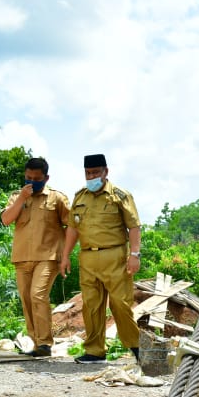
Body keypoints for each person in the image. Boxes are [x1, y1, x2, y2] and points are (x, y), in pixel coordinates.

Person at [60, 154, 142, 364]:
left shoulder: (119, 195)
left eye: (96, 172)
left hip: (115, 256)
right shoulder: (80, 197)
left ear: (106, 172)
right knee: (91, 305)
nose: (91, 176)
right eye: (88, 173)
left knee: (120, 304)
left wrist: (134, 255)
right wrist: (65, 255)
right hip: (87, 257)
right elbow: (72, 228)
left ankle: (136, 347)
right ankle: (95, 351)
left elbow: (134, 226)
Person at [1, 157, 70, 357]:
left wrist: (65, 253)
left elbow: (73, 225)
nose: (32, 181)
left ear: (46, 178)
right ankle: (37, 343)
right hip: (22, 257)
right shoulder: (17, 197)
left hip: (48, 257)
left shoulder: (57, 198)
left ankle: (45, 343)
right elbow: (6, 219)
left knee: (38, 295)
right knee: (27, 299)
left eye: (37, 178)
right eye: (28, 177)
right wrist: (22, 199)